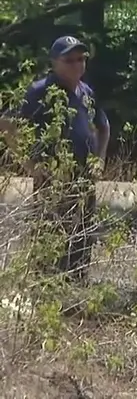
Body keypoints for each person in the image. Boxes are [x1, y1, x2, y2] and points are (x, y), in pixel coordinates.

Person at [0, 36, 110, 282]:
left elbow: (103, 126)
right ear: (55, 63)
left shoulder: (86, 92)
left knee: (81, 237)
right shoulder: (41, 91)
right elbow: (6, 124)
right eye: (69, 60)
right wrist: (30, 164)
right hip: (53, 180)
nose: (76, 65)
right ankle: (47, 291)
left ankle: (76, 290)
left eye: (81, 59)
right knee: (52, 239)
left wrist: (99, 160)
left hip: (84, 181)